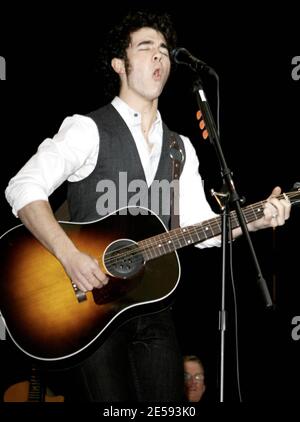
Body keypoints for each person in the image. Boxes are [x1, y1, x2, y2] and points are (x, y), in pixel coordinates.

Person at [4, 10, 291, 402]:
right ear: (120, 65)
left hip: (154, 308)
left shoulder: (181, 147)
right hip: (89, 309)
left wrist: (254, 221)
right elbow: (23, 187)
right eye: (146, 47)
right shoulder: (88, 129)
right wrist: (69, 255)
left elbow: (200, 228)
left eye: (164, 50)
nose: (160, 56)